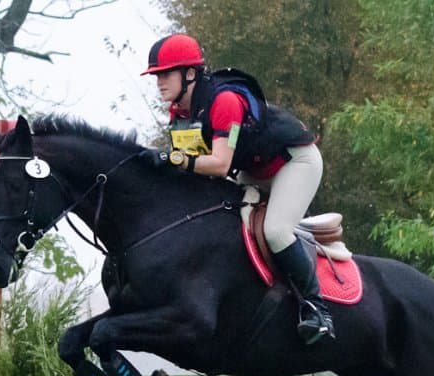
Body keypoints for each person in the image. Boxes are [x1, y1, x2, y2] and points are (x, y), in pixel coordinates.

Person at [141, 33, 335, 346]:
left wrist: (171, 158)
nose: (159, 82)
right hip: (254, 170)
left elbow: (219, 164)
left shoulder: (225, 102)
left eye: (165, 74)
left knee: (275, 231)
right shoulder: (179, 113)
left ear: (189, 74)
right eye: (156, 76)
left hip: (295, 162)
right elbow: (193, 167)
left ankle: (317, 309)